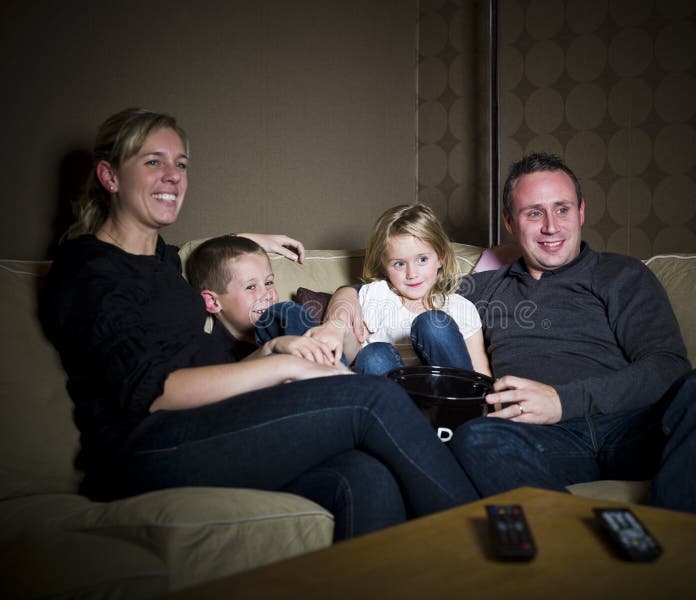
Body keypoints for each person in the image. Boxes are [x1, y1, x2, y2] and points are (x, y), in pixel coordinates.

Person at [43, 107, 478, 542]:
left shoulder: (160, 262)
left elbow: (200, 262)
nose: (172, 175)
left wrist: (270, 347)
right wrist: (282, 367)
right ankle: (485, 540)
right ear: (110, 176)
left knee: (365, 476)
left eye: (181, 164)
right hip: (144, 449)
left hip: (210, 426)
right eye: (153, 161)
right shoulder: (87, 270)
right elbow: (156, 391)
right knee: (373, 398)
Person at [329, 152, 696, 521]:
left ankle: (687, 551)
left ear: (582, 212)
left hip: (633, 426)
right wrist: (342, 306)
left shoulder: (623, 275)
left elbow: (667, 367)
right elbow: (398, 291)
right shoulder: (481, 290)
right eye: (534, 213)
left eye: (563, 209)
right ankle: (580, 545)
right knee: (476, 437)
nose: (551, 226)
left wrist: (562, 401)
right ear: (510, 222)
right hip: (540, 441)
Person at [349, 203, 491, 376]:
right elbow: (351, 351)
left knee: (433, 324)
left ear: (440, 258)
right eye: (399, 264)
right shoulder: (376, 296)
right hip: (395, 396)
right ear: (384, 266)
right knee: (373, 355)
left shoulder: (460, 307)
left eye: (422, 259)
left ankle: (458, 403)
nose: (412, 273)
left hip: (449, 394)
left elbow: (480, 371)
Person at [185, 234, 336, 365]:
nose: (267, 294)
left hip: (325, 367)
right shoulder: (212, 352)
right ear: (213, 302)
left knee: (291, 312)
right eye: (250, 287)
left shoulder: (285, 324)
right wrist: (270, 349)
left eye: (269, 283)